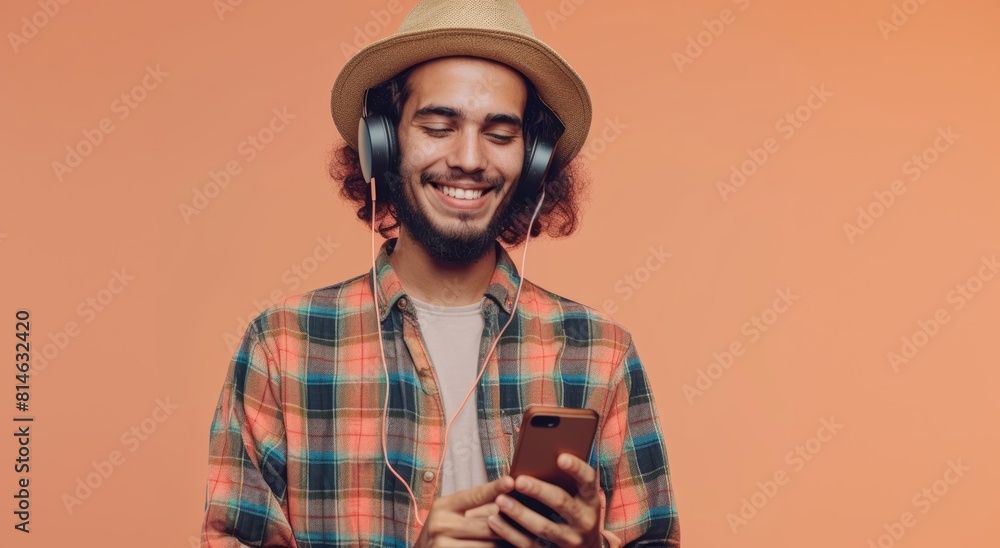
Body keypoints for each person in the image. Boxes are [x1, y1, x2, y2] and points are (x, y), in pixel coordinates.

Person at [200, 1, 680, 546]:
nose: (470, 159)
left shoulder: (600, 351)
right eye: (437, 126)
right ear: (381, 144)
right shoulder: (284, 345)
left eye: (500, 135)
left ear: (535, 161)